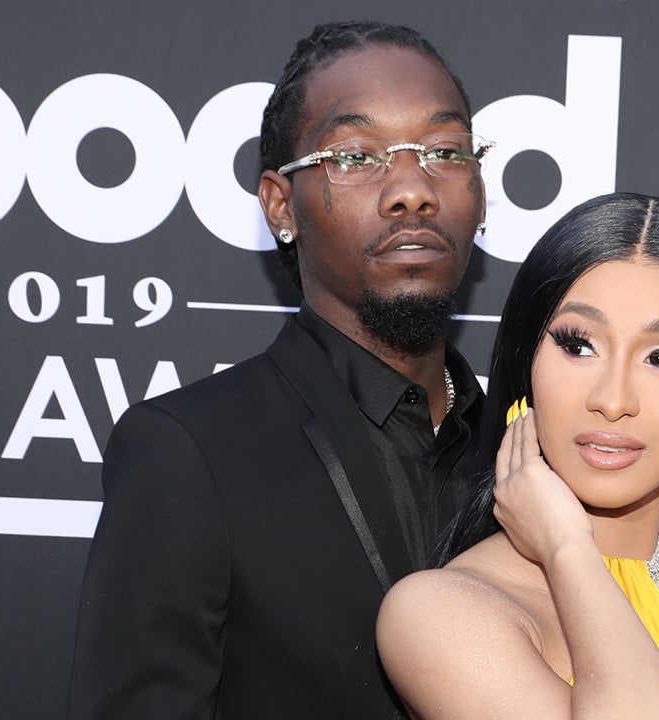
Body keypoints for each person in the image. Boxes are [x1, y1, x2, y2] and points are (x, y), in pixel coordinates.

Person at [69, 21, 490, 719]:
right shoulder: (189, 453)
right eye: (356, 156)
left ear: (479, 189)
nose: (412, 189)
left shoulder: (535, 453)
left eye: (444, 151)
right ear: (279, 205)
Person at [377, 192, 659, 719]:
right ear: (527, 364)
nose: (613, 400)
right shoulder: (441, 614)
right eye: (578, 345)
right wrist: (566, 549)